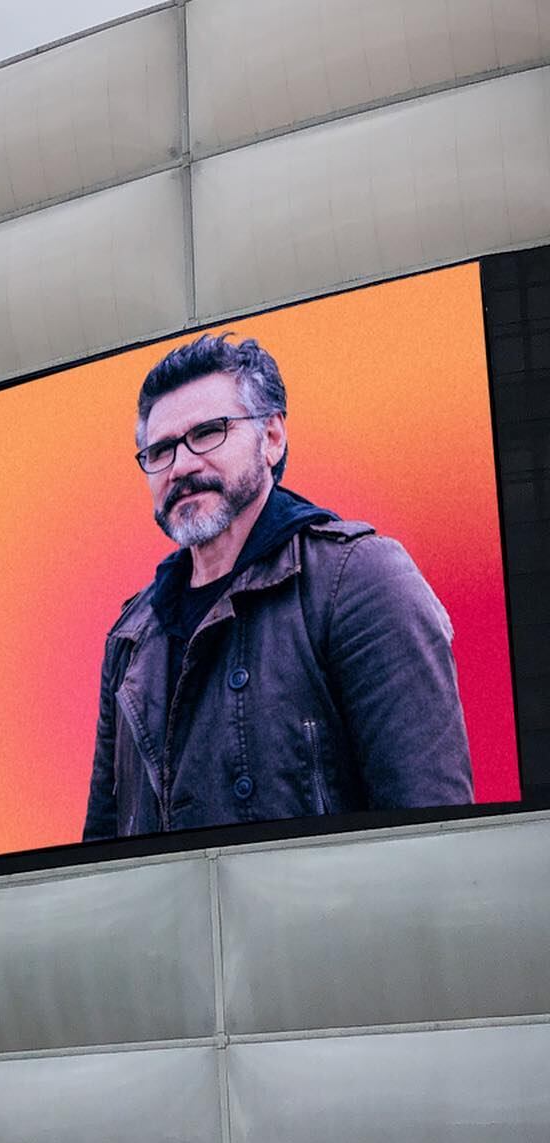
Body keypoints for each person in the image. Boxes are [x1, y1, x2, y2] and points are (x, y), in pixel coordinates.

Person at [83, 332, 472, 841]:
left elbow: (432, 834)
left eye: (208, 432)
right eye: (159, 451)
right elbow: (103, 852)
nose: (180, 466)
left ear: (271, 438)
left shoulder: (359, 579)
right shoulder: (131, 636)